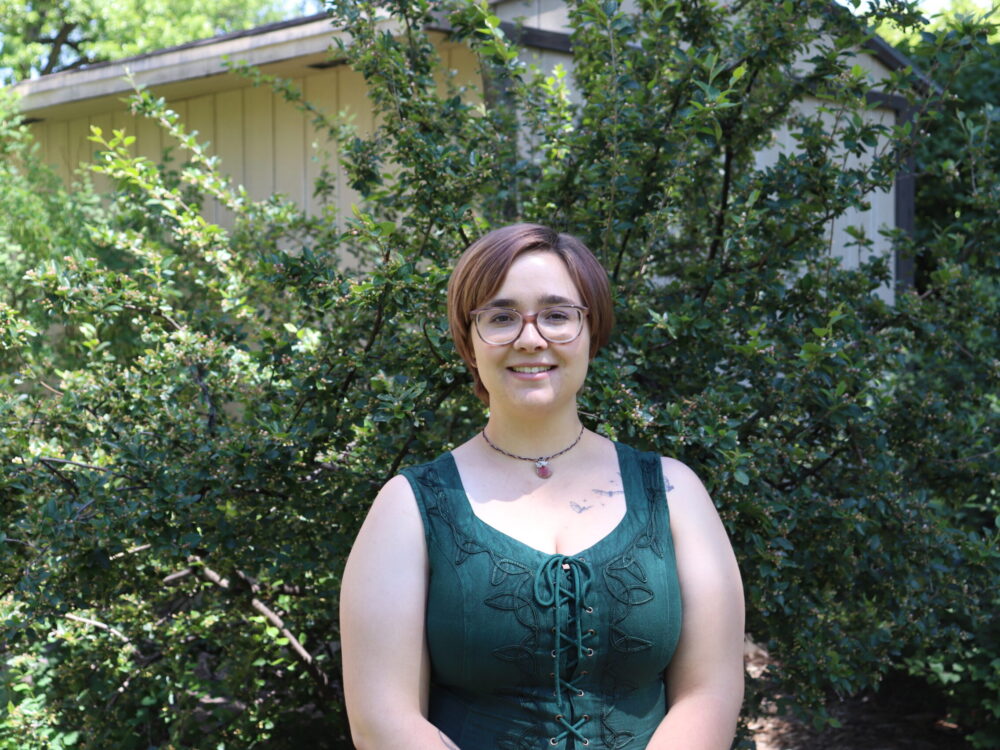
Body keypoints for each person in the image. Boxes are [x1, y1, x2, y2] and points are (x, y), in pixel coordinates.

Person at [340, 224, 745, 749]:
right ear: (470, 340)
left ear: (590, 330)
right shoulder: (408, 508)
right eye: (502, 316)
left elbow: (710, 691)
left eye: (557, 315)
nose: (531, 338)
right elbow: (381, 720)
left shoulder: (673, 493)